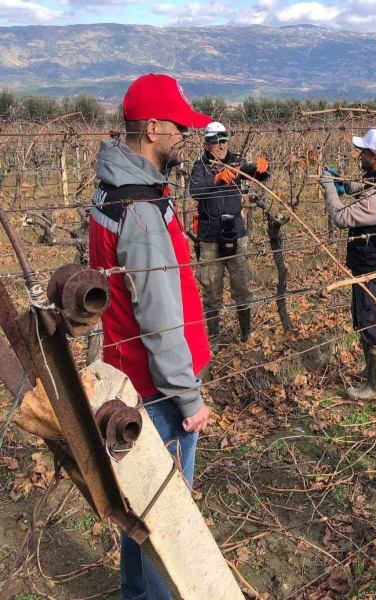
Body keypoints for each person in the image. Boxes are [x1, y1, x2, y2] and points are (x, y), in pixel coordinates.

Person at [88, 73, 213, 600]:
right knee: (165, 520)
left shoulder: (114, 192)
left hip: (130, 378)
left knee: (139, 512)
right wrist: (188, 396)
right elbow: (159, 317)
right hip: (157, 390)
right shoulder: (139, 210)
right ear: (153, 128)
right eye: (179, 126)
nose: (185, 135)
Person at [318, 128, 376, 400]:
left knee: (371, 318)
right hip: (370, 260)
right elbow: (366, 188)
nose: (359, 156)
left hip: (370, 265)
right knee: (363, 316)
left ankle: (375, 387)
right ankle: (371, 369)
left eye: (363, 152)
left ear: (374, 157)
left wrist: (330, 188)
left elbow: (341, 216)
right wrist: (346, 184)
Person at [189, 121, 269, 353]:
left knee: (242, 285)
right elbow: (194, 191)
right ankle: (214, 337)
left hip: (236, 233)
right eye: (216, 141)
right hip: (209, 236)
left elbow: (253, 173)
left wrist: (262, 169)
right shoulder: (199, 167)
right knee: (211, 289)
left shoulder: (236, 161)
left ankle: (246, 333)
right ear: (207, 143)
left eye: (224, 140)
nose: (221, 145)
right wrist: (215, 180)